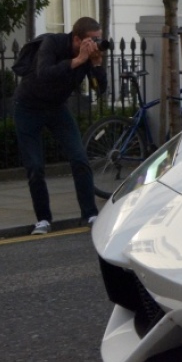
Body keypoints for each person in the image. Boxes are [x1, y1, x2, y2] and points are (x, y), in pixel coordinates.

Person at [13, 16, 107, 235]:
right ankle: (43, 219)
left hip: (56, 108)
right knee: (35, 166)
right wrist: (77, 60)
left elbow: (99, 89)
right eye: (93, 39)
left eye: (99, 39)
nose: (96, 43)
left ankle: (90, 214)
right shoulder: (52, 43)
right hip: (28, 107)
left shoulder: (89, 56)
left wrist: (96, 63)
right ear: (77, 39)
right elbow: (44, 73)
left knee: (79, 158)